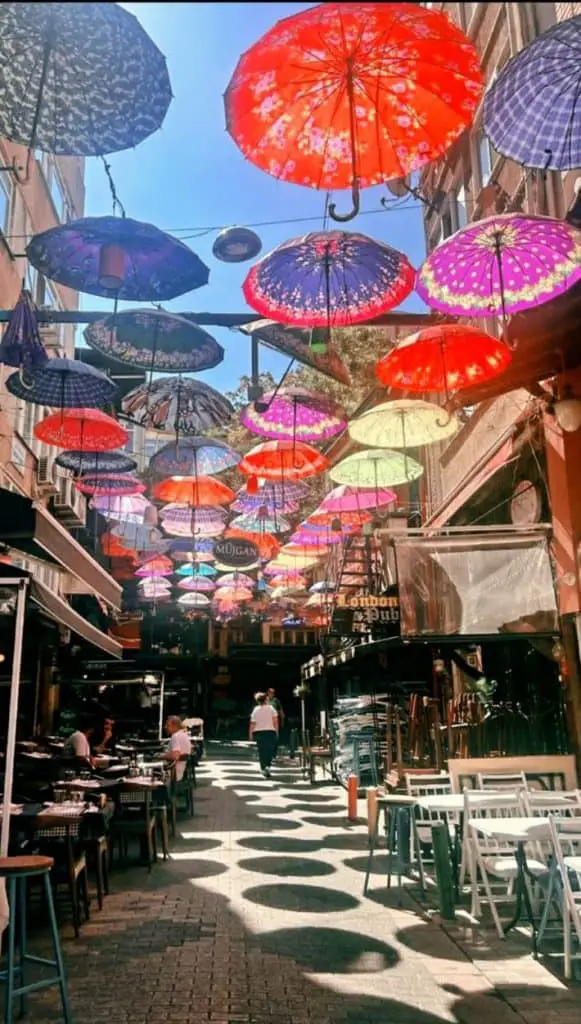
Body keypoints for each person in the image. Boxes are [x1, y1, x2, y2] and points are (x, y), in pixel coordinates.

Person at [249, 692, 278, 778]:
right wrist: (277, 731)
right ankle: (268, 766)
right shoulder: (271, 708)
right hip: (270, 731)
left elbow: (252, 723)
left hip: (259, 732)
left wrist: (250, 733)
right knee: (269, 750)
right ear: (266, 699)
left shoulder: (255, 709)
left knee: (261, 751)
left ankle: (263, 768)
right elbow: (275, 721)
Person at [164, 715, 192, 780]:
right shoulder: (184, 734)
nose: (165, 727)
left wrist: (163, 756)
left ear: (175, 726)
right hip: (182, 770)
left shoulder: (175, 736)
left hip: (174, 772)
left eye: (168, 725)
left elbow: (175, 756)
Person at [267, 687, 284, 759]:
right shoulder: (265, 700)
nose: (271, 694)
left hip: (275, 721)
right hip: (266, 721)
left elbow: (281, 711)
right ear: (268, 693)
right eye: (270, 692)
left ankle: (273, 754)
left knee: (275, 738)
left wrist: (282, 721)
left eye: (273, 693)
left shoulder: (276, 701)